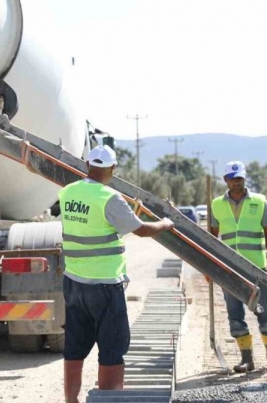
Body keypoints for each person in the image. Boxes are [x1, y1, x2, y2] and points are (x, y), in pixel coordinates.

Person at [59, 145, 175, 403]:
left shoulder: (67, 193)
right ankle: (111, 400)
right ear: (112, 169)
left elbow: (96, 222)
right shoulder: (109, 197)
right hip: (104, 285)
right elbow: (141, 230)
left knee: (75, 345)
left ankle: (71, 400)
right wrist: (166, 223)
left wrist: (129, 211)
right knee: (112, 347)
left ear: (88, 165)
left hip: (74, 282)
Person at [209, 160, 267, 373]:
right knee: (235, 315)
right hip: (229, 270)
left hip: (257, 269)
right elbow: (211, 238)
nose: (237, 182)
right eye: (233, 179)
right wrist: (209, 268)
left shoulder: (260, 201)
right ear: (225, 180)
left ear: (245, 179)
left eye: (240, 178)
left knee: (265, 312)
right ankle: (247, 359)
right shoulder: (216, 204)